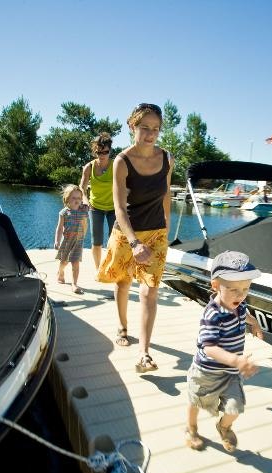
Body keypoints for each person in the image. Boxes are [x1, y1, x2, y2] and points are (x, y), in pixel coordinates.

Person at [96, 103, 173, 372]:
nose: (150, 134)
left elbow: (166, 193)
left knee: (149, 290)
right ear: (132, 127)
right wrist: (134, 242)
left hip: (155, 233)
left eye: (155, 129)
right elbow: (118, 207)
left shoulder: (167, 158)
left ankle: (145, 353)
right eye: (144, 128)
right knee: (123, 281)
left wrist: (167, 225)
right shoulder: (121, 161)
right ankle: (122, 325)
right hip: (126, 232)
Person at [184, 251, 264, 453]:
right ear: (216, 286)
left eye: (246, 288)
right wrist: (236, 360)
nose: (241, 295)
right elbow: (209, 347)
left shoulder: (240, 304)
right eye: (234, 289)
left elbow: (245, 313)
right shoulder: (212, 314)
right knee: (196, 402)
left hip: (230, 374)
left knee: (235, 408)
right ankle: (191, 428)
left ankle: (224, 426)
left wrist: (254, 324)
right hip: (206, 373)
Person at [80, 133, 116, 270]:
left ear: (110, 151)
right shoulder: (89, 167)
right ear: (95, 151)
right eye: (99, 152)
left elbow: (124, 185)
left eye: (105, 152)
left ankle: (112, 268)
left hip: (113, 208)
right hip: (95, 208)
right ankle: (98, 269)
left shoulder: (116, 165)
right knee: (96, 242)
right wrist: (85, 199)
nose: (102, 155)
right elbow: (82, 187)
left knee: (114, 241)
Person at [54, 184, 89, 294]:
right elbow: (59, 228)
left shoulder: (83, 210)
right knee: (64, 262)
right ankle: (60, 272)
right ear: (67, 199)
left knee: (75, 263)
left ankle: (74, 284)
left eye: (79, 198)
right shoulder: (64, 212)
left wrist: (85, 202)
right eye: (74, 198)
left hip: (78, 242)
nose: (77, 200)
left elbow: (89, 205)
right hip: (67, 241)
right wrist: (57, 240)